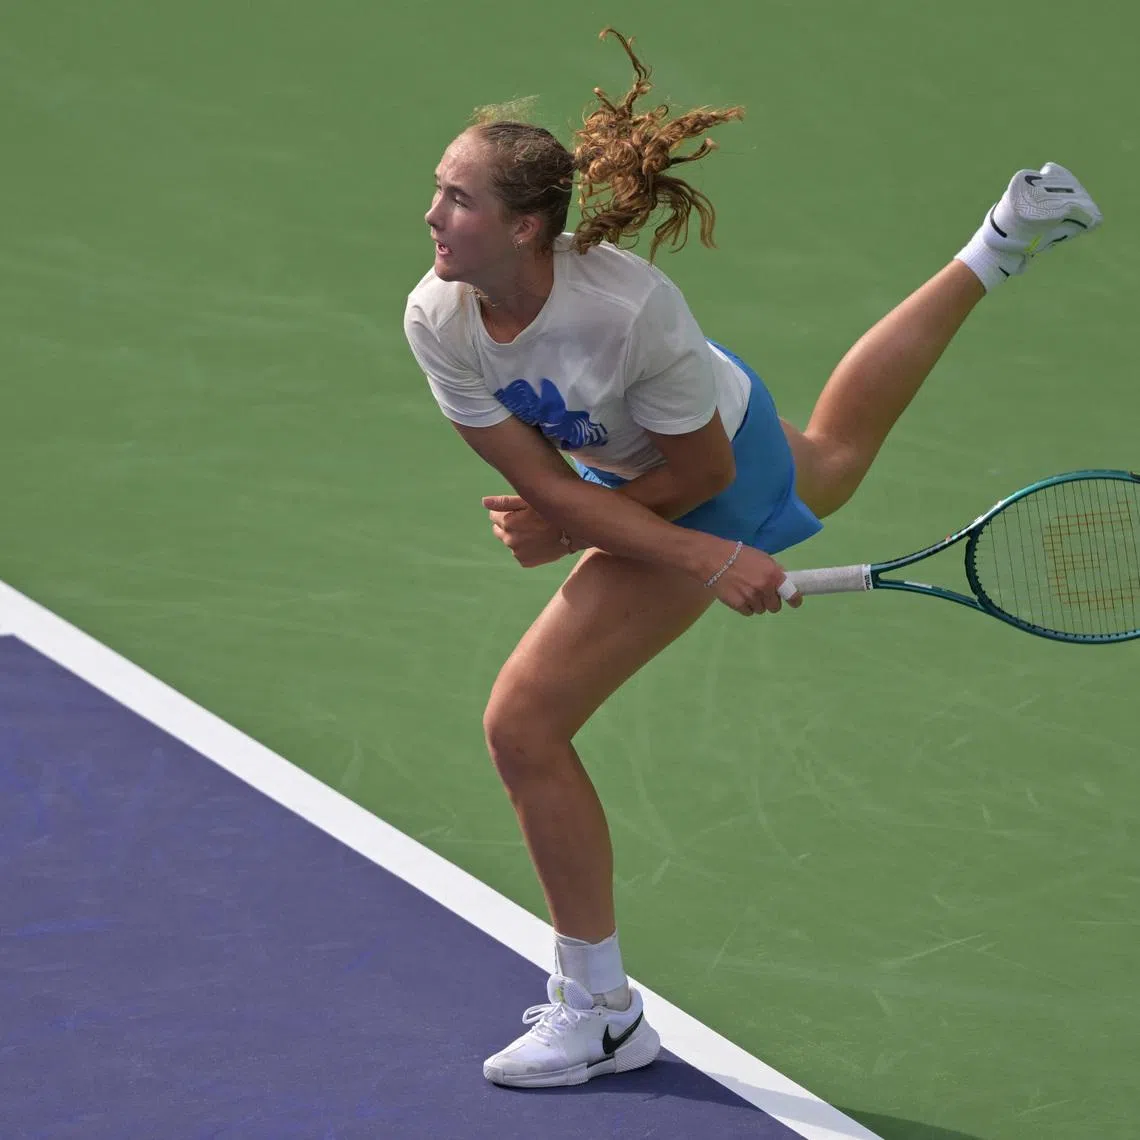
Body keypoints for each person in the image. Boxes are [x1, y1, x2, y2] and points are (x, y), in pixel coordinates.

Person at [403, 28, 1102, 1089]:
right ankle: (1001, 240)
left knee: (524, 725)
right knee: (835, 459)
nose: (431, 215)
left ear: (526, 226)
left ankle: (601, 1014)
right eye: (437, 190)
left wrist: (700, 554)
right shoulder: (439, 315)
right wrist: (569, 520)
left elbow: (698, 478)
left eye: (457, 199)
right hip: (671, 431)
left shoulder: (630, 314)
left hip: (711, 460)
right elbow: (547, 487)